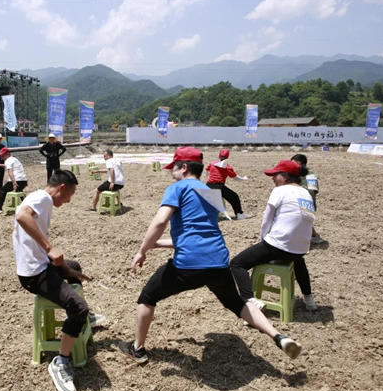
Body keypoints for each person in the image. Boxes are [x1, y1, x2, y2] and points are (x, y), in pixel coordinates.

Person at [116, 147, 303, 366]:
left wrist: (141, 251)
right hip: (218, 262)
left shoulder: (177, 187)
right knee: (236, 303)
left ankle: (137, 349)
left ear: (184, 168)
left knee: (147, 297)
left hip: (188, 265)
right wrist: (155, 245)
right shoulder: (210, 193)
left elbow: (159, 222)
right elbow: (199, 233)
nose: (171, 173)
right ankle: (278, 336)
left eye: (173, 168)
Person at [13, 169, 105, 391]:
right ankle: (61, 362)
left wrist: (64, 268)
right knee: (78, 308)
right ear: (61, 187)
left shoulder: (39, 198)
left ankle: (83, 319)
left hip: (42, 266)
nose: (69, 200)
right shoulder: (42, 198)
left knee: (74, 267)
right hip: (34, 275)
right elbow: (22, 216)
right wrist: (50, 248)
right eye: (70, 194)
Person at [230, 160, 317, 312]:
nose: (273, 178)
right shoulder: (305, 193)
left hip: (278, 246)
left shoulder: (280, 190)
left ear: (286, 177)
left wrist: (262, 244)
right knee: (297, 260)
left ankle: (250, 300)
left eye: (275, 175)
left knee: (236, 264)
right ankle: (309, 299)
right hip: (301, 248)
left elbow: (266, 221)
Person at [205, 149, 249, 220]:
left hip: (208, 185)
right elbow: (235, 177)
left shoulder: (212, 163)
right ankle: (239, 213)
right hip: (219, 186)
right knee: (234, 197)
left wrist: (210, 175)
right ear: (228, 156)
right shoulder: (228, 167)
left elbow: (207, 170)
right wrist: (244, 179)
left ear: (219, 156)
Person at [291, 154, 322, 243]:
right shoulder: (294, 174)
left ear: (299, 163)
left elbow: (311, 193)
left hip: (306, 203)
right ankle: (314, 235)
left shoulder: (311, 176)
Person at [0, 147, 28, 214]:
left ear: (8, 154)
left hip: (16, 180)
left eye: (3, 155)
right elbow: (7, 165)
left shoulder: (8, 160)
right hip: (23, 181)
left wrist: (14, 182)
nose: (2, 157)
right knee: (19, 191)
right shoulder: (14, 159)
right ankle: (28, 205)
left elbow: (10, 171)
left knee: (2, 190)